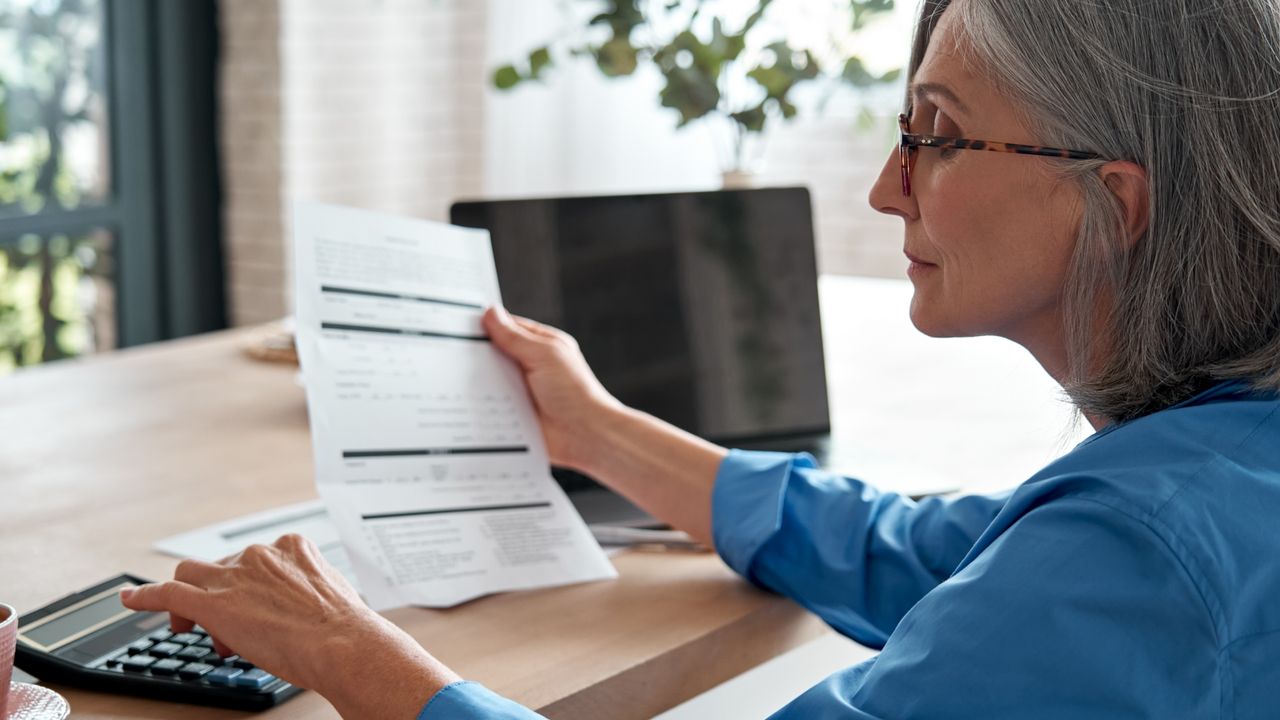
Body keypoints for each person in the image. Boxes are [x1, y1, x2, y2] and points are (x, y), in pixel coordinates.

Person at [121, 0, 1280, 716]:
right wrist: (591, 427)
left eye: (933, 134)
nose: (886, 188)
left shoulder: (1141, 549)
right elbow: (921, 556)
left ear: (1110, 203)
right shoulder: (1211, 469)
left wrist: (353, 654)